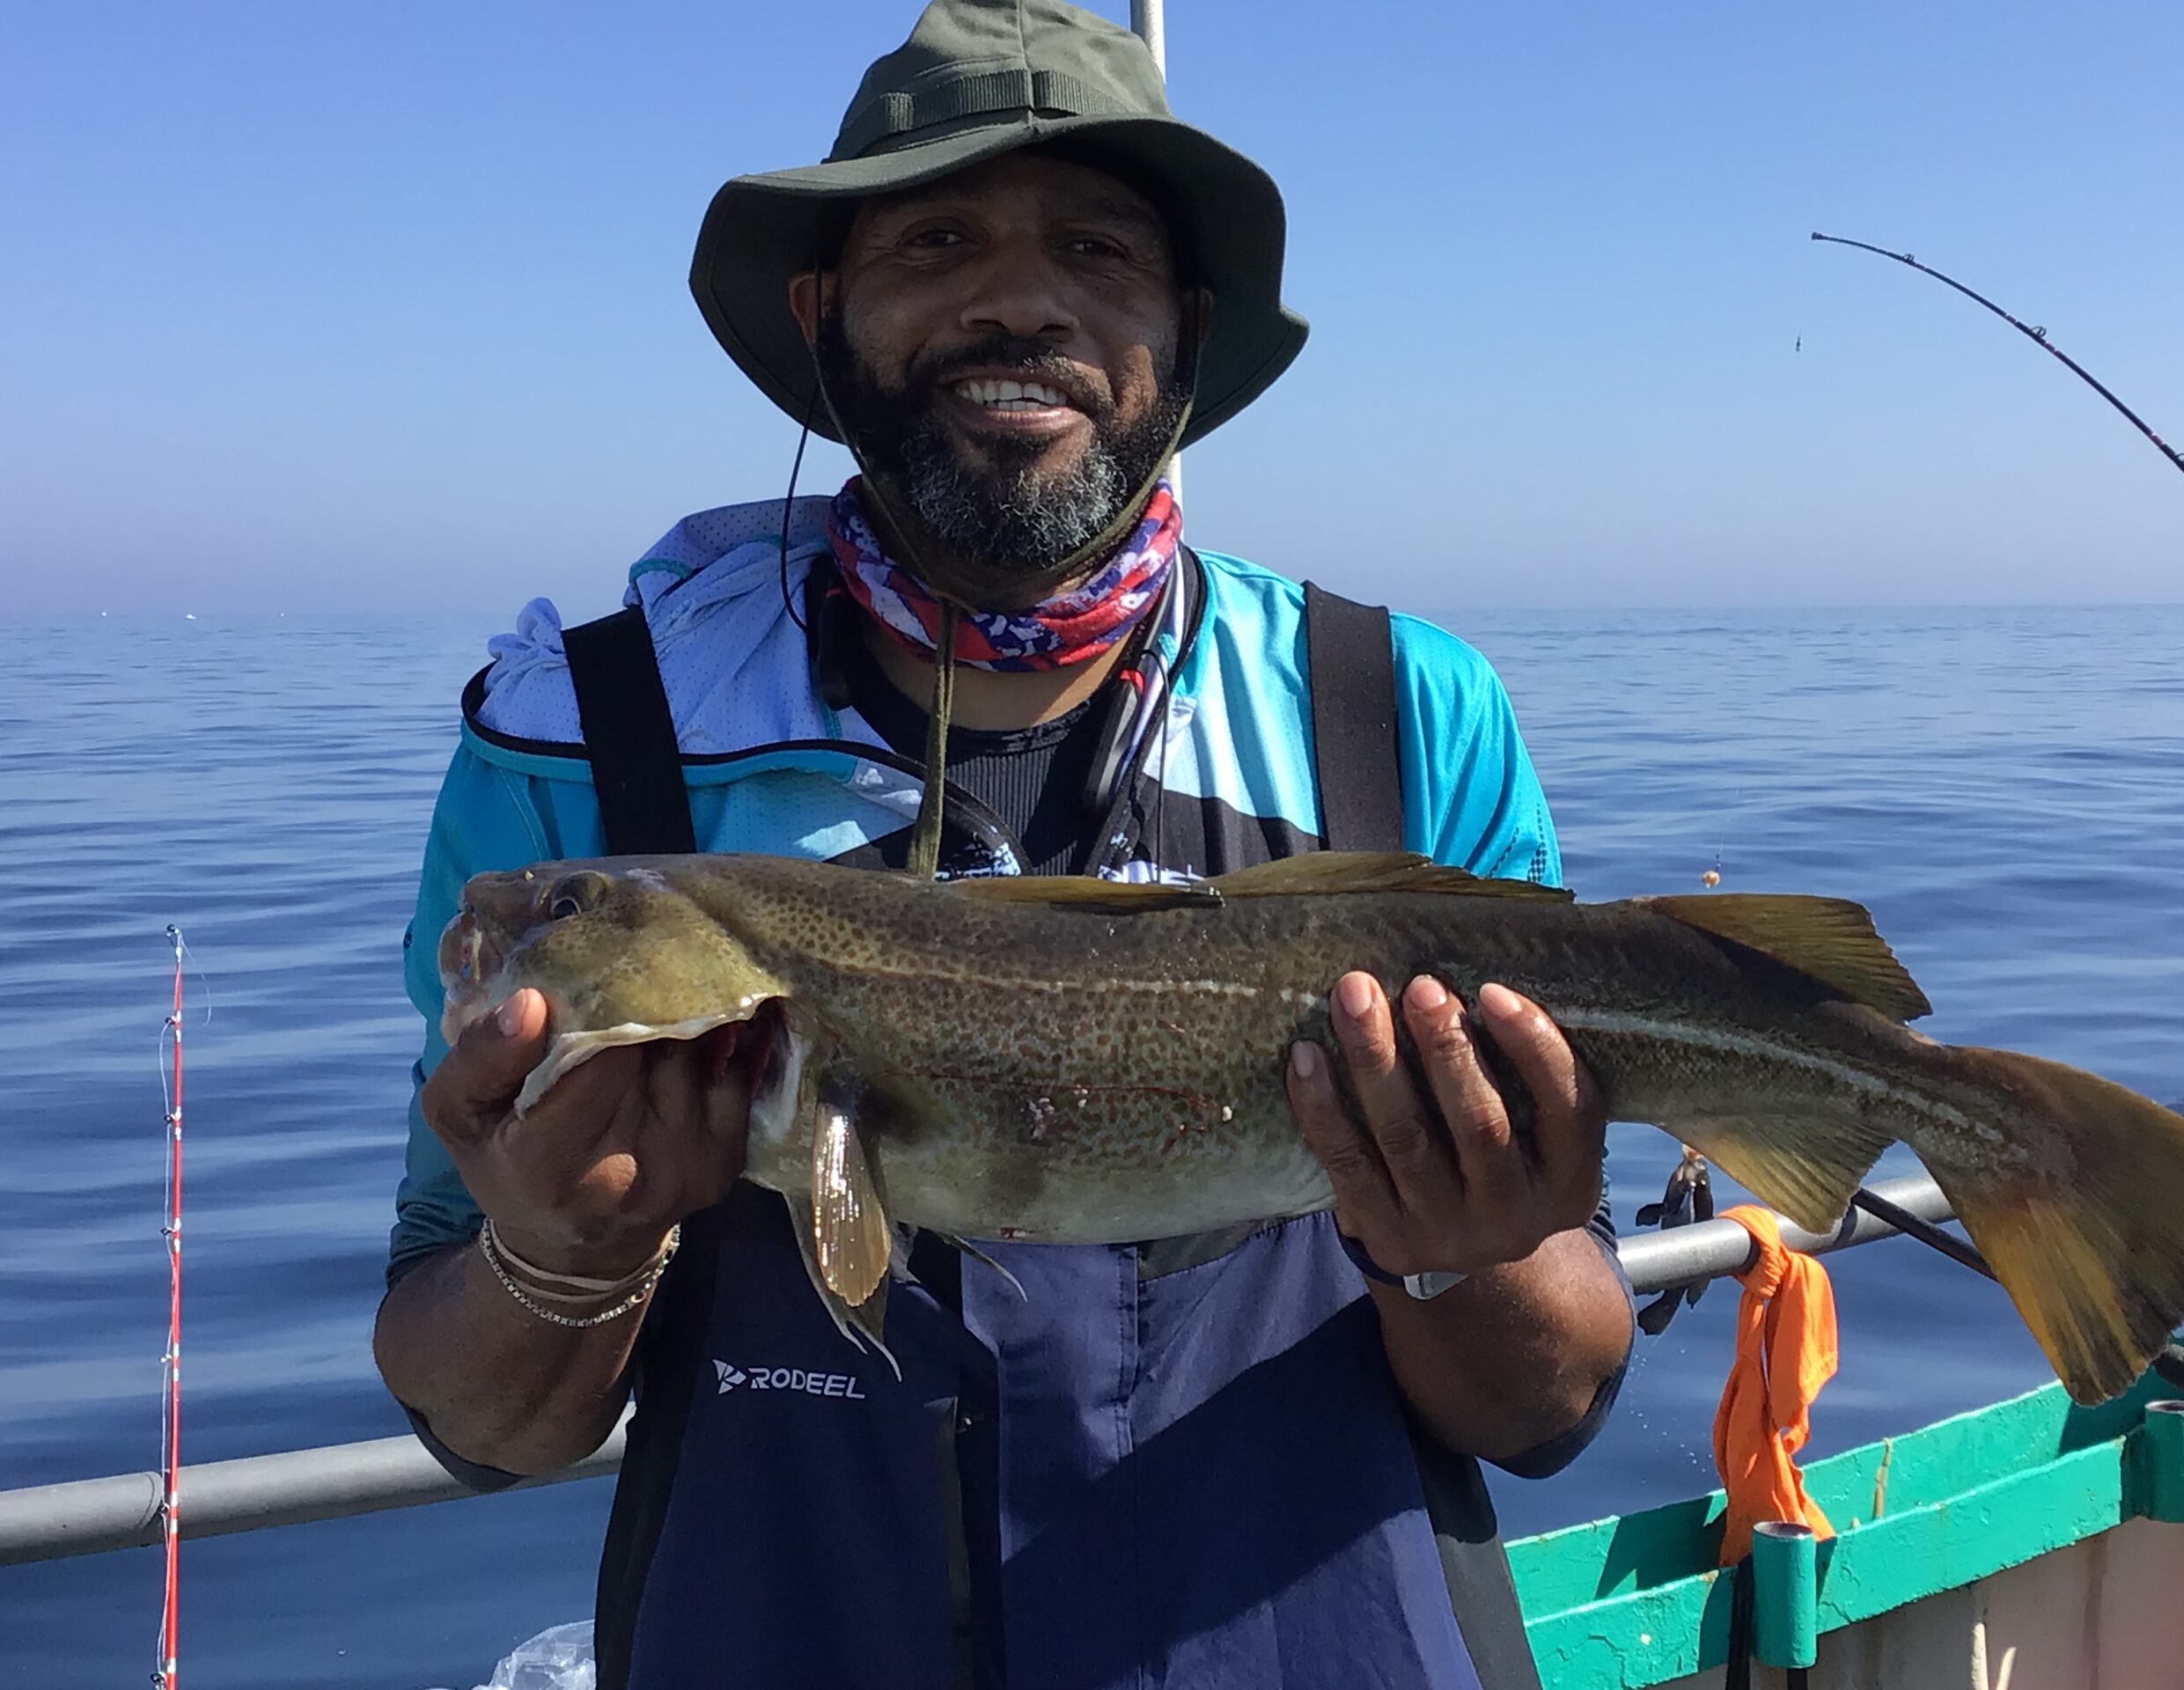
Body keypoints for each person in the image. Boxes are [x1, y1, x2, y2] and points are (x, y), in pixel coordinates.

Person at [372, 3, 1635, 1685]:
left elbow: (1548, 1403)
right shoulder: (576, 740)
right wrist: (557, 1253)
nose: (1018, 301)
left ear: (1183, 332)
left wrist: (1462, 1248)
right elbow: (479, 1418)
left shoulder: (1398, 713)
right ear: (824, 315)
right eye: (935, 238)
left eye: (1096, 249)